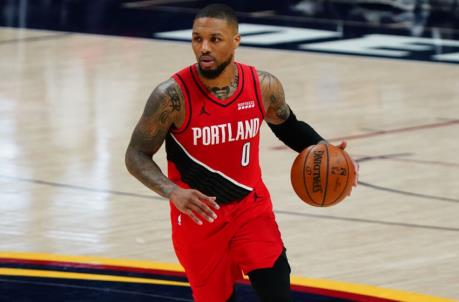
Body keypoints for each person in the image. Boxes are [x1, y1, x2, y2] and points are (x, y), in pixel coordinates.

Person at [125, 4, 358, 302]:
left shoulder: (263, 86)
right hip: (198, 216)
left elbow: (288, 126)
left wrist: (329, 152)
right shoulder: (171, 96)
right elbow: (136, 154)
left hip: (251, 207)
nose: (204, 48)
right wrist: (172, 192)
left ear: (236, 40)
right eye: (197, 39)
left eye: (215, 39)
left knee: (277, 290)